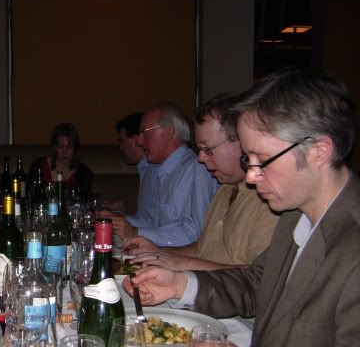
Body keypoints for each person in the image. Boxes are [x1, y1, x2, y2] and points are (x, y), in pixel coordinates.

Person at [126, 68, 360, 347]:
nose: (250, 176)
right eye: (248, 159)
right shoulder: (296, 215)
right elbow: (255, 283)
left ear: (319, 150)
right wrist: (180, 284)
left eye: (262, 160)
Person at [123, 94, 279, 271]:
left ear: (242, 142)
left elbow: (259, 277)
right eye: (199, 149)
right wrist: (159, 252)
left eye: (208, 149)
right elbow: (203, 247)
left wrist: (181, 264)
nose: (201, 158)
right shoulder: (225, 189)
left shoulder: (268, 199)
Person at [108, 102, 219, 246]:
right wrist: (114, 220)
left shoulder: (198, 168)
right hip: (161, 253)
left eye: (145, 132)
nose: (140, 141)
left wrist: (136, 232)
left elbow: (199, 235)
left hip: (182, 257)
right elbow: (152, 224)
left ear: (169, 131)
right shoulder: (159, 170)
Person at [29, 122, 94, 198]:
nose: (64, 151)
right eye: (60, 146)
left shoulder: (84, 174)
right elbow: (29, 195)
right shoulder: (38, 167)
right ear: (55, 148)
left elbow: (83, 201)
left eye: (69, 147)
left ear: (75, 149)